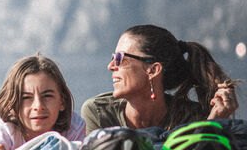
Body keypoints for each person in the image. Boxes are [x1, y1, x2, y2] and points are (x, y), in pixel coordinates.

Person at [82, 24, 239, 133]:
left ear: (153, 70)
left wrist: (212, 126)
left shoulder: (193, 118)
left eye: (119, 58)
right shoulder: (98, 113)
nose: (110, 66)